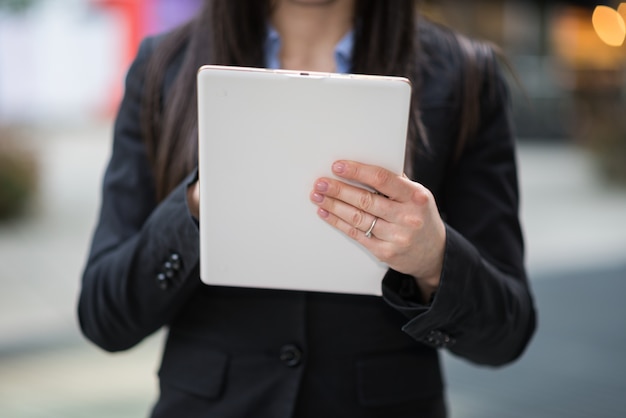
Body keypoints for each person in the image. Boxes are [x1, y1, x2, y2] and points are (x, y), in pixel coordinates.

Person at [78, 0, 537, 417]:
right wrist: (195, 206)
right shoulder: (163, 67)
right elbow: (105, 318)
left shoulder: (465, 75)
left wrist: (434, 260)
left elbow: (506, 333)